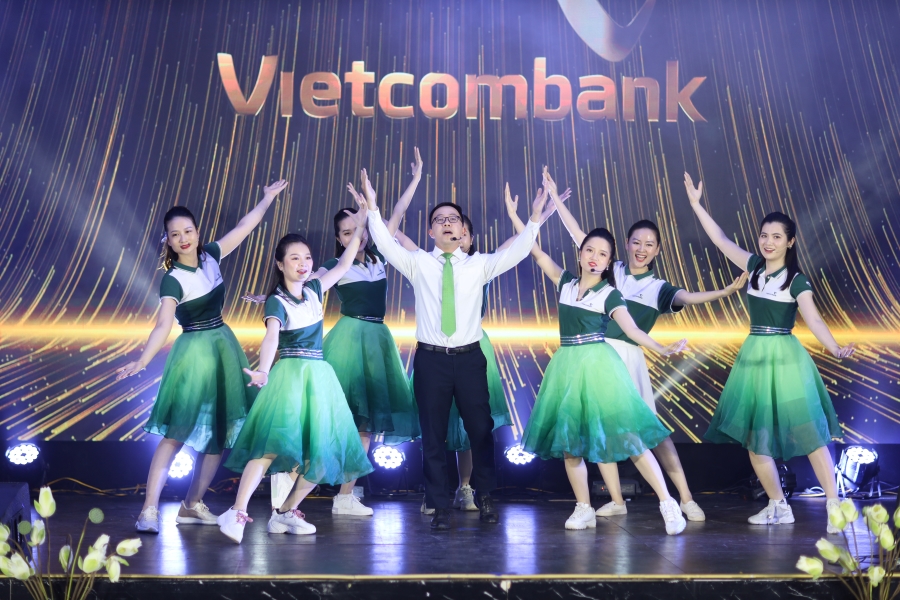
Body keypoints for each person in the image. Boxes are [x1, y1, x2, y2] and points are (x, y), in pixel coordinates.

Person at [359, 167, 547, 530]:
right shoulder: (417, 263)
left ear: (463, 230)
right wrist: (373, 208)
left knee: (480, 430)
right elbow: (384, 241)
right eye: (439, 220)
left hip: (470, 358)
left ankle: (485, 495)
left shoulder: (480, 264)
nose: (447, 224)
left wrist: (534, 217)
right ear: (430, 231)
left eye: (453, 219)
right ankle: (440, 505)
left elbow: (521, 250)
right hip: (431, 360)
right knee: (433, 436)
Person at [549, 185, 748, 522]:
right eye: (636, 242)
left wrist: (725, 291)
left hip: (627, 358)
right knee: (599, 429)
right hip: (593, 356)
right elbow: (579, 235)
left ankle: (684, 498)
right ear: (625, 245)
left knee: (647, 431)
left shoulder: (657, 288)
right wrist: (555, 200)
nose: (641, 249)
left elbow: (688, 297)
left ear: (658, 250)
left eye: (649, 244)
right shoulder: (609, 270)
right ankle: (617, 500)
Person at [515, 172, 689, 534]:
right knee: (571, 444)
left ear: (609, 262)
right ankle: (584, 507)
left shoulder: (610, 294)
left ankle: (668, 502)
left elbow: (634, 330)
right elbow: (534, 250)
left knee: (629, 438)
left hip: (599, 366)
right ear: (580, 254)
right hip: (567, 367)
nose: (595, 257)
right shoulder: (566, 283)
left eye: (603, 254)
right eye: (590, 251)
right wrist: (527, 217)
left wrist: (662, 347)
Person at [684, 172, 855, 532]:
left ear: (790, 242)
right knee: (755, 437)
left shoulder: (796, 280)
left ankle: (834, 505)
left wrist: (836, 348)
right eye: (764, 235)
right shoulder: (753, 267)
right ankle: (778, 505)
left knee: (810, 433)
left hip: (786, 358)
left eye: (777, 237)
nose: (768, 242)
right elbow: (719, 239)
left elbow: (814, 319)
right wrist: (697, 205)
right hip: (754, 357)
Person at [117, 180, 288, 533]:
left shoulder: (210, 255)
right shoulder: (172, 279)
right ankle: (149, 510)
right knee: (176, 434)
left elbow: (244, 227)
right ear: (167, 241)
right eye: (175, 234)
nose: (183, 238)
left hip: (223, 346)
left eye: (188, 231)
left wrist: (266, 199)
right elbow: (163, 324)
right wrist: (142, 361)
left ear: (197, 232)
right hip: (194, 354)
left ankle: (191, 505)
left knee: (218, 434)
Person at [218, 213, 374, 544]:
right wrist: (263, 369)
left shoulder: (315, 288)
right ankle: (237, 511)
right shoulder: (277, 300)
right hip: (290, 376)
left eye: (307, 258)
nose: (303, 264)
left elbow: (344, 263)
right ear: (280, 264)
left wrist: (361, 223)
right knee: (271, 448)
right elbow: (271, 337)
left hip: (319, 377)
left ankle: (286, 512)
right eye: (294, 258)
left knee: (324, 452)